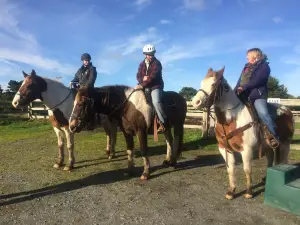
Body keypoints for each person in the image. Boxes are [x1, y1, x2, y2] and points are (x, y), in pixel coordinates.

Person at [234, 48, 279, 148]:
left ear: (254, 55)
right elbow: (239, 81)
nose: (246, 57)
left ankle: (273, 136)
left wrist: (244, 87)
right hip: (244, 95)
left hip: (257, 96)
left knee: (263, 113)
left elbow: (257, 80)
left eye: (248, 55)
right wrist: (235, 91)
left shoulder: (264, 66)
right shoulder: (246, 67)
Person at [136, 44, 167, 132]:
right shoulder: (141, 64)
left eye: (152, 54)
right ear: (145, 54)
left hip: (155, 86)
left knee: (156, 101)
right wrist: (142, 79)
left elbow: (153, 77)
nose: (150, 56)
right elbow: (138, 75)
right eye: (149, 54)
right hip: (144, 85)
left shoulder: (157, 63)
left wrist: (142, 84)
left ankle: (162, 122)